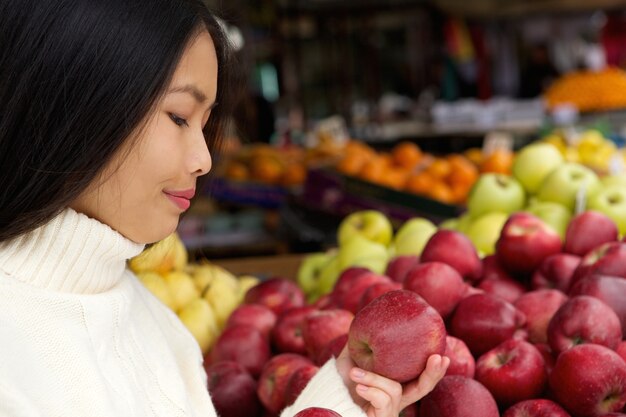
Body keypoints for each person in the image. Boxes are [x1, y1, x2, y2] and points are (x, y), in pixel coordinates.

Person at [0, 1, 449, 416]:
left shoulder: (149, 315)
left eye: (206, 122)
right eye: (178, 117)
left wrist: (341, 401)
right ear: (72, 105)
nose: (204, 160)